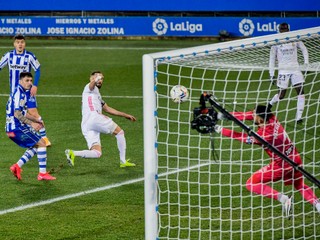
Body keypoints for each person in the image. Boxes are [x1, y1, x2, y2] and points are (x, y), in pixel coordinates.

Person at [214, 105, 320, 216]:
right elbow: (247, 115)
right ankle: (318, 205)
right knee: (299, 184)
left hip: (281, 166)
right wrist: (223, 116)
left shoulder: (264, 136)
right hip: (295, 158)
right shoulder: (272, 118)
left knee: (251, 183)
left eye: (255, 114)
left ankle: (284, 199)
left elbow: (240, 137)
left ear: (260, 119)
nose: (252, 114)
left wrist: (219, 129)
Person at [65, 71, 137, 168]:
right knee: (120, 133)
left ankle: (73, 153)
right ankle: (123, 161)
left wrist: (125, 115)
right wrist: (96, 79)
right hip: (94, 117)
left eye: (102, 79)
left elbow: (107, 109)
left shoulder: (96, 94)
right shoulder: (89, 88)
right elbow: (91, 85)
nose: (100, 80)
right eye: (97, 77)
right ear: (91, 78)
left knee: (97, 152)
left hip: (86, 124)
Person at [0, 34, 51, 146]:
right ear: (14, 44)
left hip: (28, 91)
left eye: (22, 42)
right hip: (14, 93)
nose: (20, 44)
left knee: (33, 113)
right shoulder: (8, 56)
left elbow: (37, 69)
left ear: (24, 44)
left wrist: (35, 85)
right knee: (17, 114)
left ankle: (44, 138)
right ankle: (26, 134)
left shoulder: (29, 56)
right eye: (18, 42)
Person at [6, 72, 56, 181]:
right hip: (17, 128)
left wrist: (37, 120)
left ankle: (17, 166)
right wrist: (32, 123)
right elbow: (17, 114)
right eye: (26, 80)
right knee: (42, 143)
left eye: (31, 81)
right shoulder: (19, 93)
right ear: (20, 81)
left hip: (11, 130)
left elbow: (23, 113)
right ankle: (42, 174)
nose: (29, 83)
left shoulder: (22, 92)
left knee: (36, 145)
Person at [268, 22, 309, 124]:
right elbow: (272, 59)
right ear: (279, 30)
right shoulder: (276, 42)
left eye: (285, 29)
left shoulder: (294, 38)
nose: (283, 31)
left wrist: (306, 63)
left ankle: (298, 118)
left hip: (295, 69)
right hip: (283, 71)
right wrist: (272, 74)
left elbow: (304, 49)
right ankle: (270, 104)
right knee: (281, 95)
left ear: (288, 29)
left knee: (300, 91)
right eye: (282, 29)